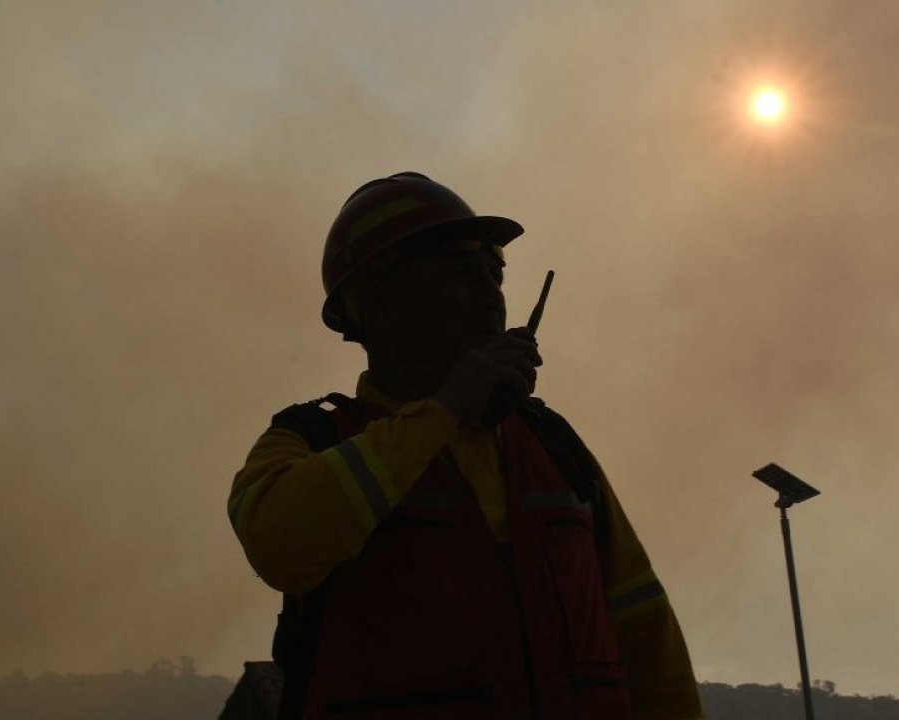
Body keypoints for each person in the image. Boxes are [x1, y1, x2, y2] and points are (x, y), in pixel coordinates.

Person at [225, 172, 703, 720]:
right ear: (374, 302)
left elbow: (647, 637)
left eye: (493, 275)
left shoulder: (553, 447)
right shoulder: (306, 443)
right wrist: (447, 409)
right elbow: (279, 546)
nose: (488, 295)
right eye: (458, 275)